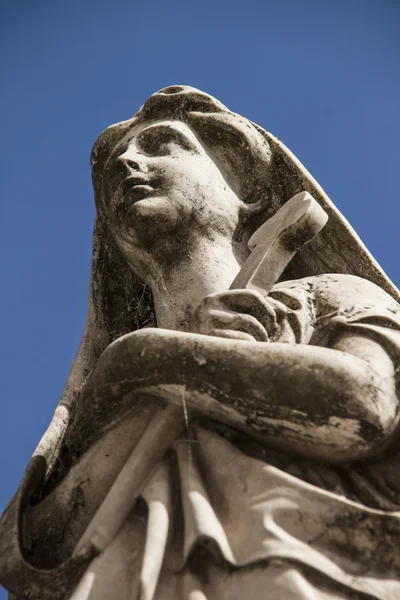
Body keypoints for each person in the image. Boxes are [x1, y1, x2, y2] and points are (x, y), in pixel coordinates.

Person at [2, 86, 400, 600]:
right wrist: (137, 370)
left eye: (163, 145)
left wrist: (146, 360)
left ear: (248, 187)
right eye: (110, 173)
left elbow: (364, 407)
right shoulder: (108, 395)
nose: (127, 162)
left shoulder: (325, 296)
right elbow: (44, 546)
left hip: (299, 570)